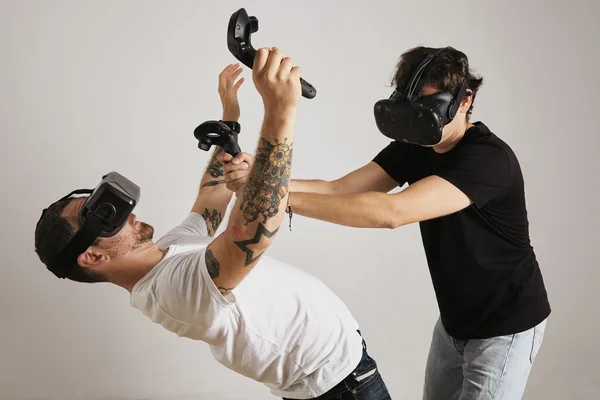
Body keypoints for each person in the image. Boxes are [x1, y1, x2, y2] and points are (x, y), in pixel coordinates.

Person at [33, 49, 391, 400]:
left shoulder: (167, 254)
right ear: (92, 258)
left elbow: (212, 197)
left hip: (340, 374)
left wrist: (229, 120)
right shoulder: (172, 292)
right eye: (105, 218)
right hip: (342, 387)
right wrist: (281, 110)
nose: (129, 215)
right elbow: (252, 230)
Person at [222, 46, 551, 400]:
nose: (418, 121)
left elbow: (391, 213)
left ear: (465, 100)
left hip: (505, 326)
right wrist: (263, 174)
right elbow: (340, 188)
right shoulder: (418, 147)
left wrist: (276, 198)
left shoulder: (488, 159)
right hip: (455, 321)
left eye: (429, 109)